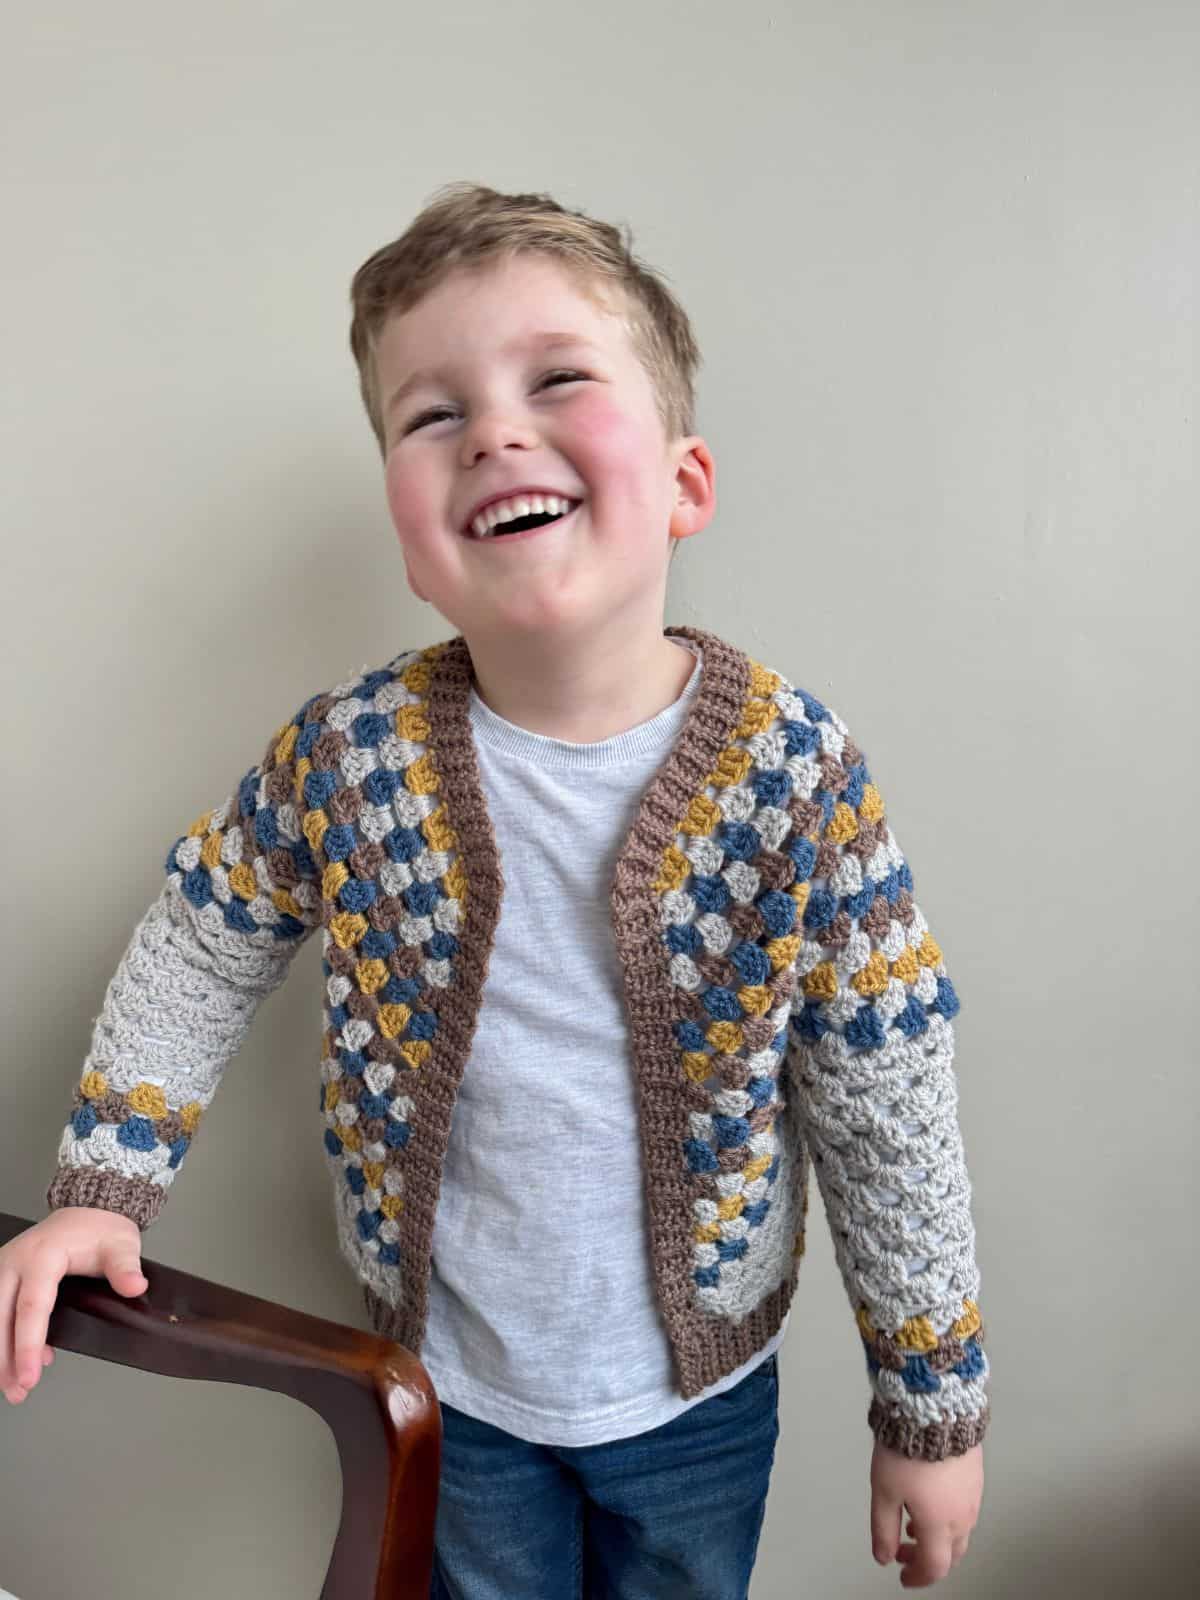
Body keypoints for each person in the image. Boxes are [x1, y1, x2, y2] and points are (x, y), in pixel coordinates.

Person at [1, 182, 988, 1596]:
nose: (495, 433)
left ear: (687, 483)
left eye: (559, 379)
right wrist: (107, 1184)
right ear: (408, 526)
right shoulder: (349, 760)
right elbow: (203, 942)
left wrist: (930, 1409)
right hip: (449, 1383)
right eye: (431, 413)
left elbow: (887, 1103)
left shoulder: (796, 778)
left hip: (699, 1401)